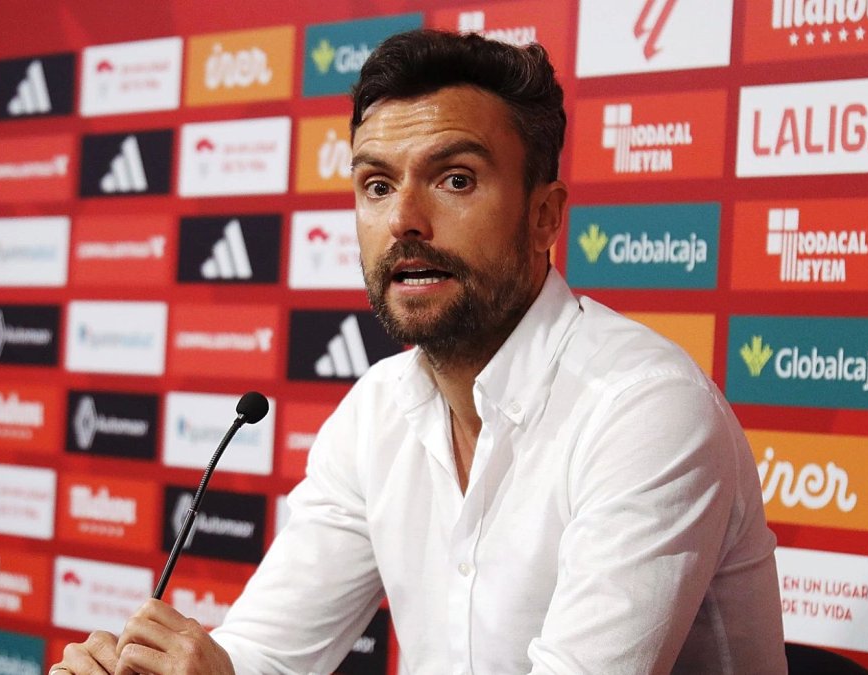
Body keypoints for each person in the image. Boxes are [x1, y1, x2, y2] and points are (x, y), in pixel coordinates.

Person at [53, 29, 785, 675]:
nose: (404, 220)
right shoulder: (377, 409)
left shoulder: (645, 409)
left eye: (455, 179)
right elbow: (267, 653)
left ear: (544, 217)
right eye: (376, 184)